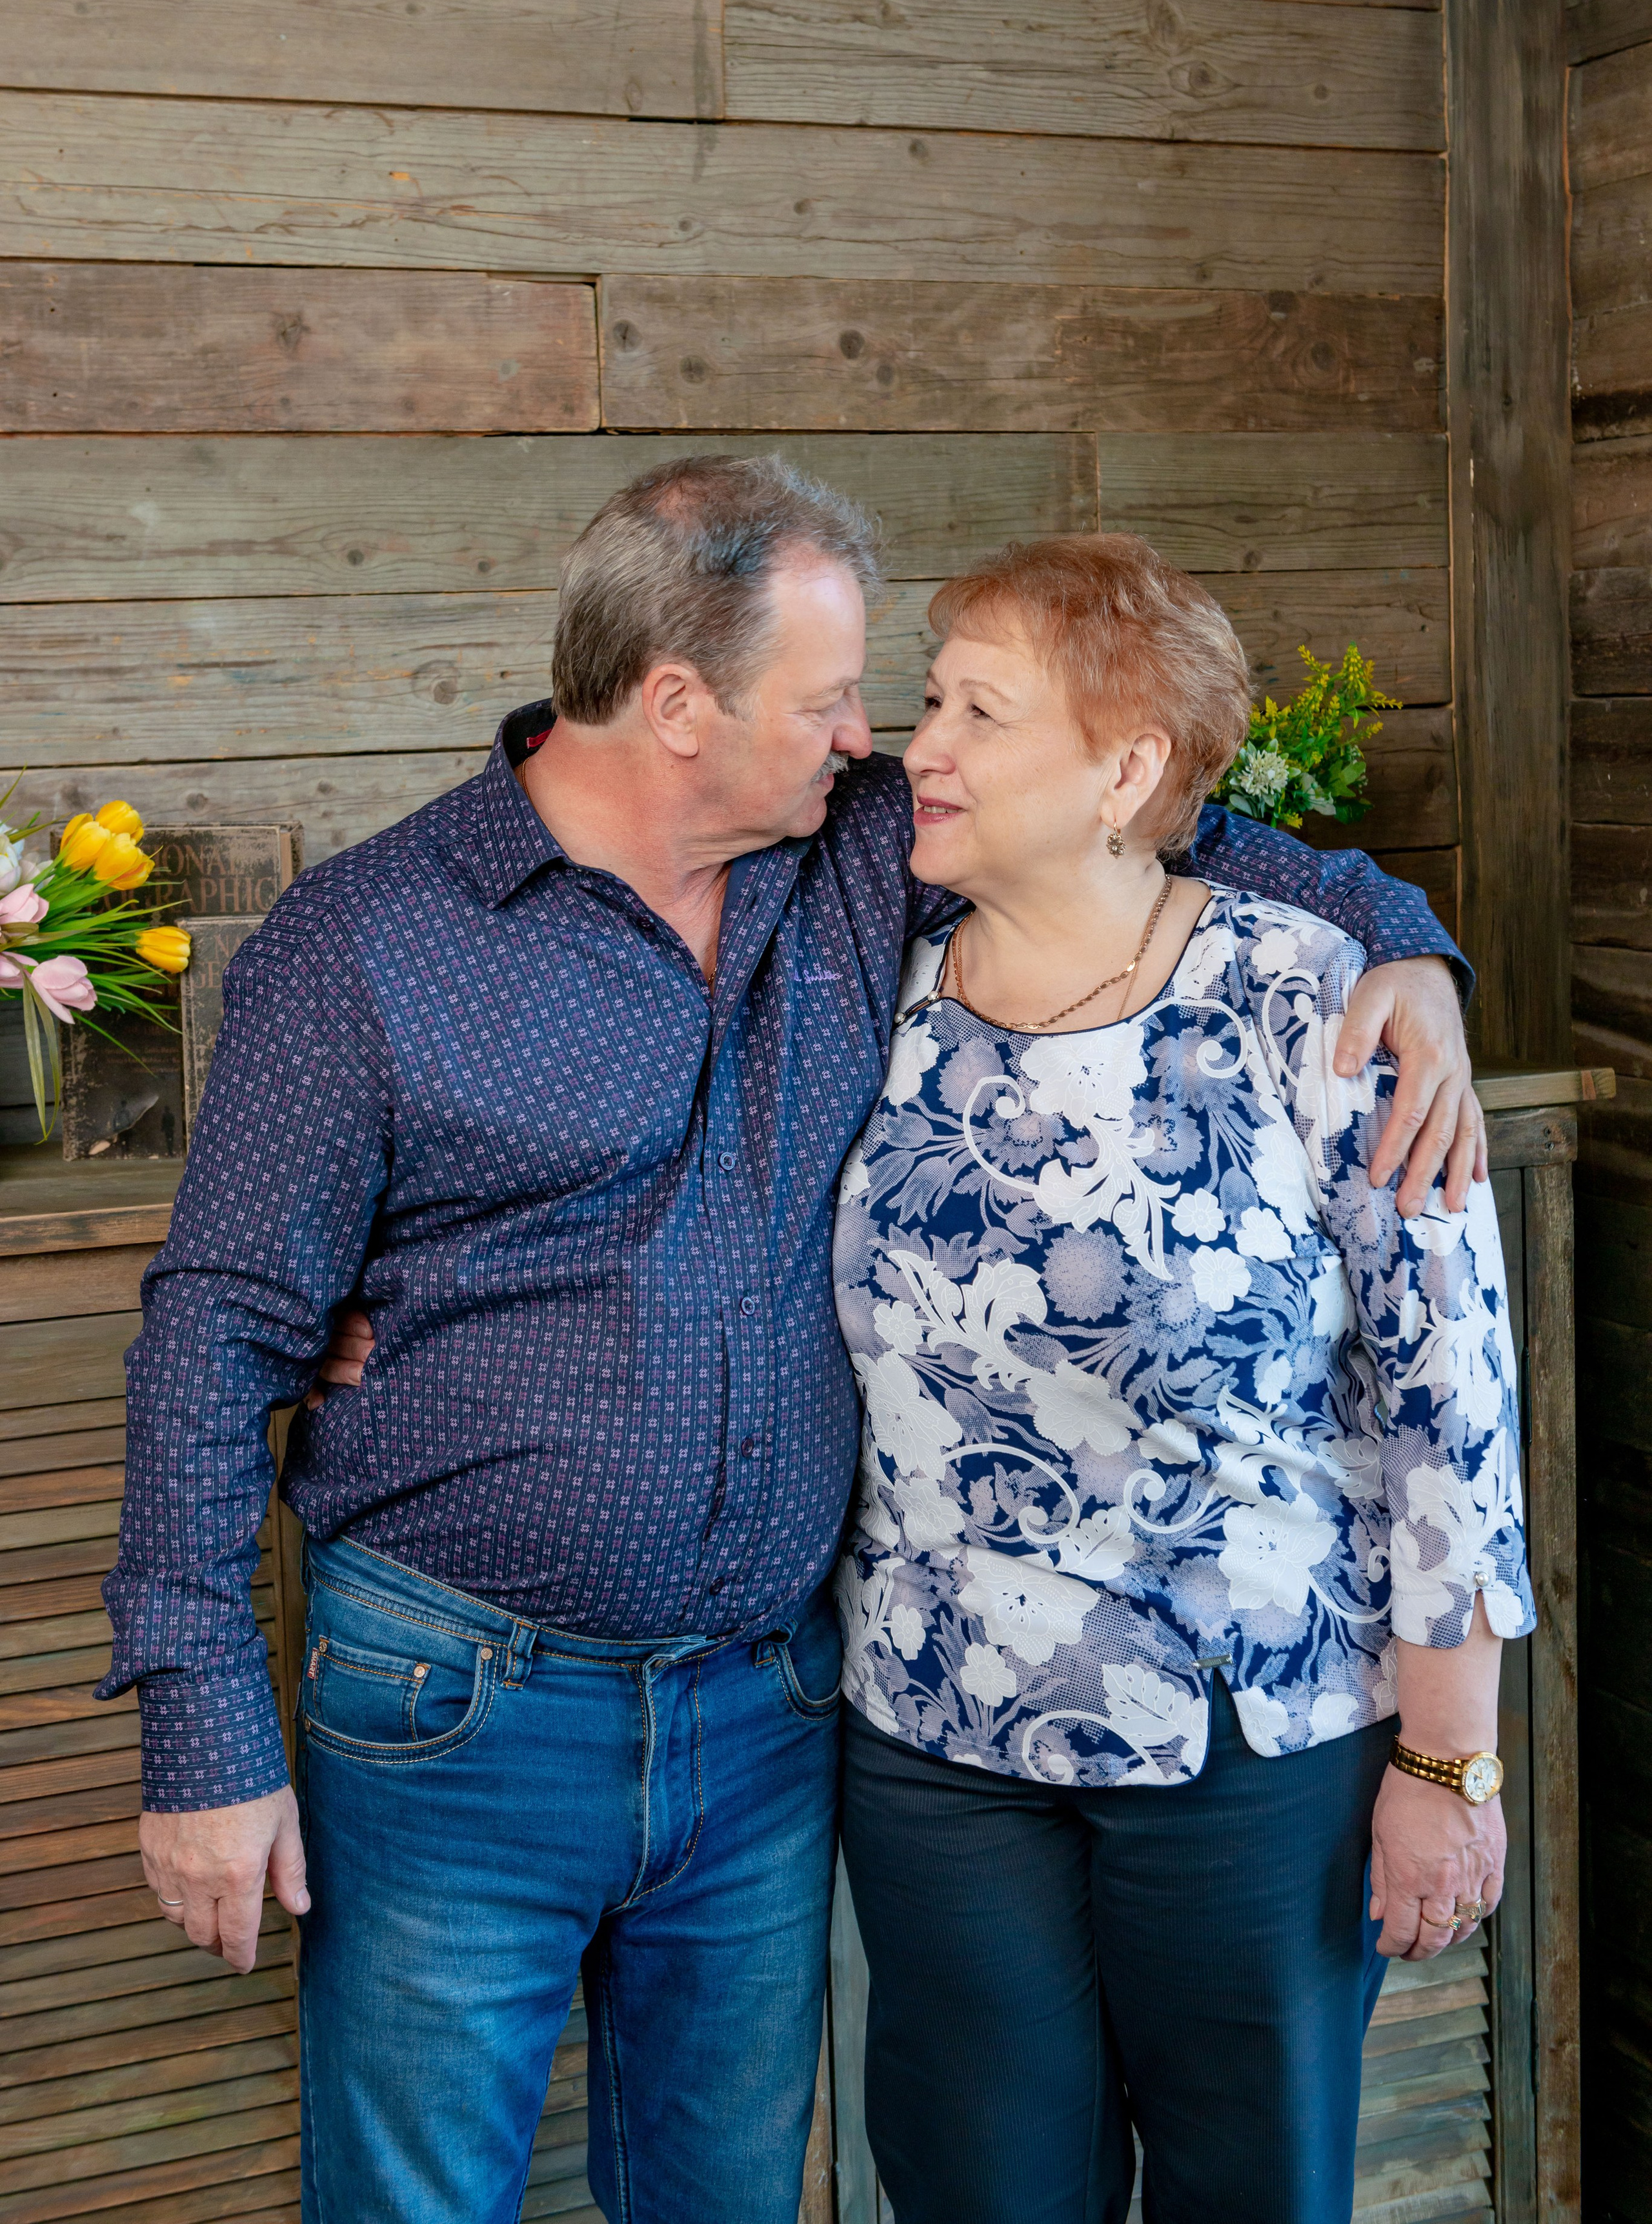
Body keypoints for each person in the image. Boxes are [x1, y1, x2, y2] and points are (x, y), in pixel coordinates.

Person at [102, 458, 1485, 2224]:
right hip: (455, 1719)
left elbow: (1171, 826)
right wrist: (204, 1743)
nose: (874, 743)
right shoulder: (369, 945)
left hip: (769, 1716)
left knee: (731, 2202)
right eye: (833, 702)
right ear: (678, 706)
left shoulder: (848, 872)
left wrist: (1411, 945)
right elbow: (216, 1334)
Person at [832, 534, 1531, 2224]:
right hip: (939, 1744)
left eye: (976, 713)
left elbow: (1453, 1415)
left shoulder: (1321, 1003)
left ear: (1126, 767)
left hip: (1249, 1755)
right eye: (932, 701)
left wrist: (1450, 1770)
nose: (917, 747)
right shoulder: (878, 991)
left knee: (1249, 2193)